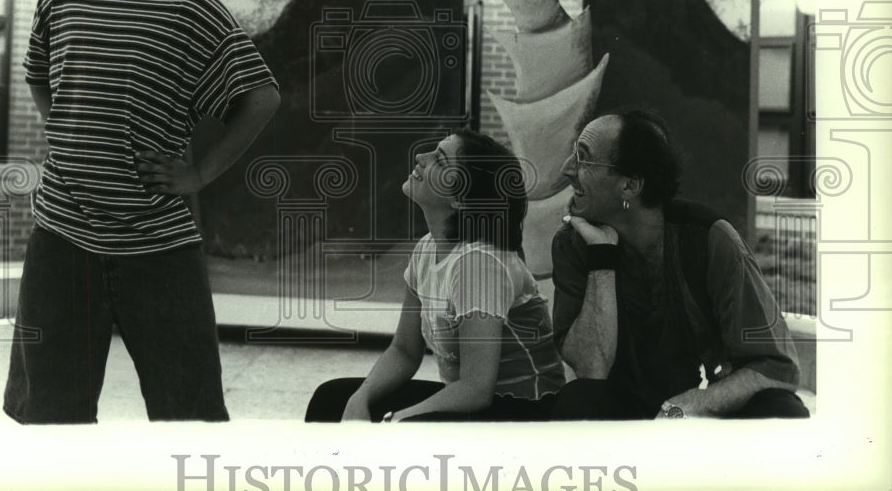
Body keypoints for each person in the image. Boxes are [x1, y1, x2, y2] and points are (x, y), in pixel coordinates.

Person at [3, 0, 280, 424]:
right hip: (62, 238)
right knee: (50, 415)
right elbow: (36, 75)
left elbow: (261, 96)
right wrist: (69, 134)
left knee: (190, 412)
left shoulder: (191, 6)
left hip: (158, 243)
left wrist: (199, 173)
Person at [549, 108, 808, 419]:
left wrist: (688, 406)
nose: (567, 169)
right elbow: (591, 369)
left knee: (782, 408)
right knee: (577, 401)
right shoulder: (573, 244)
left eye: (584, 157)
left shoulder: (710, 239)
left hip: (701, 412)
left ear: (630, 186)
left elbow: (778, 367)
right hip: (619, 413)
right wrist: (602, 257)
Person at [305, 128, 566, 422]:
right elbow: (404, 351)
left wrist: (396, 420)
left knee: (412, 426)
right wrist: (359, 399)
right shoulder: (427, 248)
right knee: (332, 400)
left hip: (526, 414)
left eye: (440, 160)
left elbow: (476, 388)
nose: (421, 157)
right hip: (479, 402)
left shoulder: (480, 264)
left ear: (460, 199)